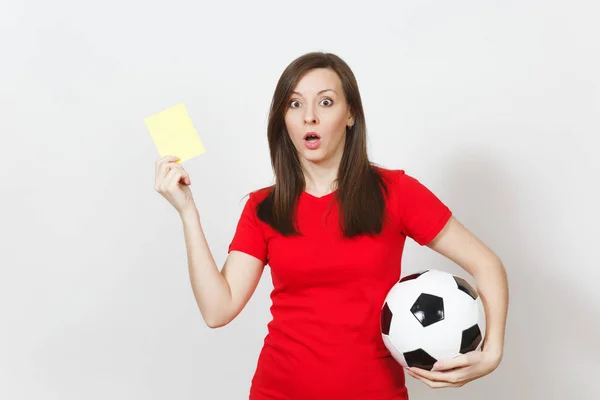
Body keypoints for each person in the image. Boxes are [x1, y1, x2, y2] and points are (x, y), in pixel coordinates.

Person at [154, 52, 509, 400]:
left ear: (350, 114)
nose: (309, 117)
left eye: (325, 102)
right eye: (295, 104)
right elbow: (218, 309)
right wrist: (187, 212)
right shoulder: (263, 207)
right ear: (283, 119)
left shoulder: (396, 193)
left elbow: (487, 265)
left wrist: (491, 353)